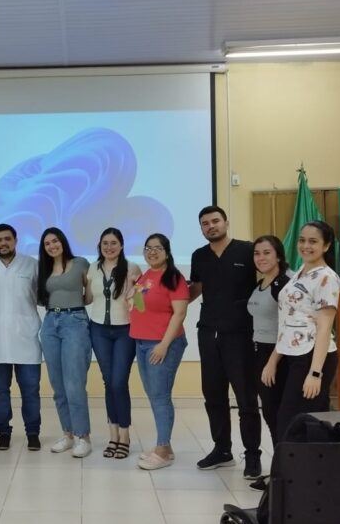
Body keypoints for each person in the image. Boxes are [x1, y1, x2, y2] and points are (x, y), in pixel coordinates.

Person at [189, 205, 262, 478]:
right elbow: (195, 289)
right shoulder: (199, 256)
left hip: (241, 335)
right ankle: (222, 450)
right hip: (208, 334)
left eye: (215, 221)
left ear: (226, 222)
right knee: (213, 396)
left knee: (246, 399)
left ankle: (252, 455)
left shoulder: (248, 251)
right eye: (205, 223)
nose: (211, 226)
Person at [265, 221, 340, 440]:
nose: (306, 246)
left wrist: (315, 373)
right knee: (296, 423)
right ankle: (298, 464)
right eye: (302, 240)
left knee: (294, 424)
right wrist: (273, 359)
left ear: (326, 246)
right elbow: (289, 321)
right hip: (294, 354)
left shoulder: (327, 278)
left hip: (313, 356)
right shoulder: (300, 272)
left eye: (313, 241)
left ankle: (298, 463)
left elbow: (324, 328)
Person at [0, 223, 41, 451]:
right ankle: (3, 432)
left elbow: (44, 296)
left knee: (30, 390)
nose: (3, 243)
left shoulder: (31, 265)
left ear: (15, 241)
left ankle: (33, 432)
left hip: (26, 338)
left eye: (7, 239)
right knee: (0, 391)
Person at [130, 233, 190, 470]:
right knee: (154, 394)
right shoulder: (146, 276)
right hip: (142, 342)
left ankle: (163, 450)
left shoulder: (174, 277)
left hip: (163, 344)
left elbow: (180, 313)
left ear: (167, 252)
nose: (152, 252)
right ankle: (165, 446)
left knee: (160, 395)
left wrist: (164, 344)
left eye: (157, 248)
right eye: (148, 248)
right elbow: (139, 306)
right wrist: (131, 292)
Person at [85, 227, 141, 458]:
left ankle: (125, 436)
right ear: (100, 246)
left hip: (124, 331)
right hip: (98, 329)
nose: (109, 247)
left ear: (122, 245)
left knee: (119, 382)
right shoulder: (92, 268)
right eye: (105, 243)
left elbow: (141, 306)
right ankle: (113, 435)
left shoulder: (132, 268)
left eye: (113, 243)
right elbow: (88, 299)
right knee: (108, 382)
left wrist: (136, 292)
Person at [37, 228, 92, 458]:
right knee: (58, 385)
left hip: (75, 321)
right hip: (50, 323)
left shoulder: (80, 263)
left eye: (55, 241)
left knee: (74, 384)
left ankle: (83, 437)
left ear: (63, 241)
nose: (52, 246)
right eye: (47, 243)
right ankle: (68, 434)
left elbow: (90, 295)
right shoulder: (44, 269)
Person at [247, 235, 290, 449]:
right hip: (259, 352)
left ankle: (286, 461)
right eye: (257, 253)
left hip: (279, 356)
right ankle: (280, 461)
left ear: (278, 256)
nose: (261, 258)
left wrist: (272, 362)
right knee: (270, 412)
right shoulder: (261, 283)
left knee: (279, 413)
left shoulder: (285, 284)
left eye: (266, 253)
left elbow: (288, 327)